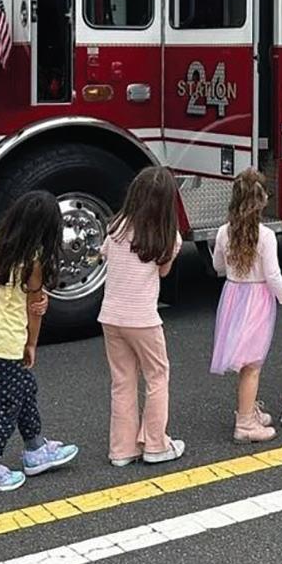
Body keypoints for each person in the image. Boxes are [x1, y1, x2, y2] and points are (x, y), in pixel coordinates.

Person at [0, 190, 79, 495]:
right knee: (9, 405)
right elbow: (34, 310)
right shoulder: (34, 261)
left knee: (25, 387)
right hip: (8, 340)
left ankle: (35, 448)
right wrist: (31, 344)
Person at [98, 166, 184, 466]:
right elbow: (163, 271)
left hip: (111, 316)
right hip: (144, 319)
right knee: (157, 376)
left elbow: (105, 253)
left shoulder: (117, 226)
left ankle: (122, 450)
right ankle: (155, 444)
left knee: (122, 381)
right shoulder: (167, 236)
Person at [211, 169, 282, 444]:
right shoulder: (266, 235)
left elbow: (217, 266)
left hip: (232, 295)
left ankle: (248, 409)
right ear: (262, 200)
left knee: (245, 359)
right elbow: (272, 274)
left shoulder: (223, 231)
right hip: (257, 298)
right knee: (252, 364)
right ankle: (245, 423)